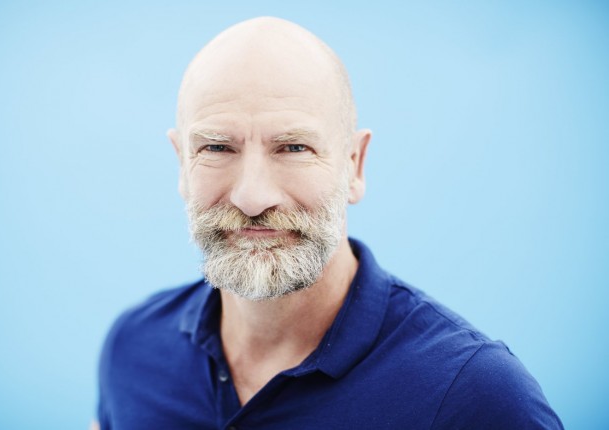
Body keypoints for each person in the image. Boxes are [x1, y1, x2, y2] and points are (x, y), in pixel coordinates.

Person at [95, 17, 563, 429]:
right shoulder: (133, 350)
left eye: (294, 148)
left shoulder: (475, 397)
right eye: (217, 147)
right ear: (182, 165)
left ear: (354, 165)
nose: (252, 197)